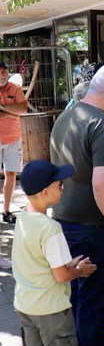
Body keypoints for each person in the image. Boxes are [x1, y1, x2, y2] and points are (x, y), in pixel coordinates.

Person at [49, 63, 104, 346]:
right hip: (94, 232)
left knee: (74, 302)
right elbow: (102, 184)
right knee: (92, 306)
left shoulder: (66, 116)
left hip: (63, 224)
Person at [13, 160, 97, 346]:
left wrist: (68, 264)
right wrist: (78, 270)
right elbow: (61, 276)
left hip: (25, 305)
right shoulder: (51, 228)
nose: (62, 187)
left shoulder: (22, 218)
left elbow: (37, 260)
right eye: (59, 185)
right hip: (51, 310)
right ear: (45, 192)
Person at [0, 60, 27, 227]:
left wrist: (3, 107)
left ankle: (6, 210)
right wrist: (12, 110)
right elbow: (16, 110)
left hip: (13, 137)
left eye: (4, 71)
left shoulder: (15, 89)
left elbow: (23, 109)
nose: (2, 75)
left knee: (11, 174)